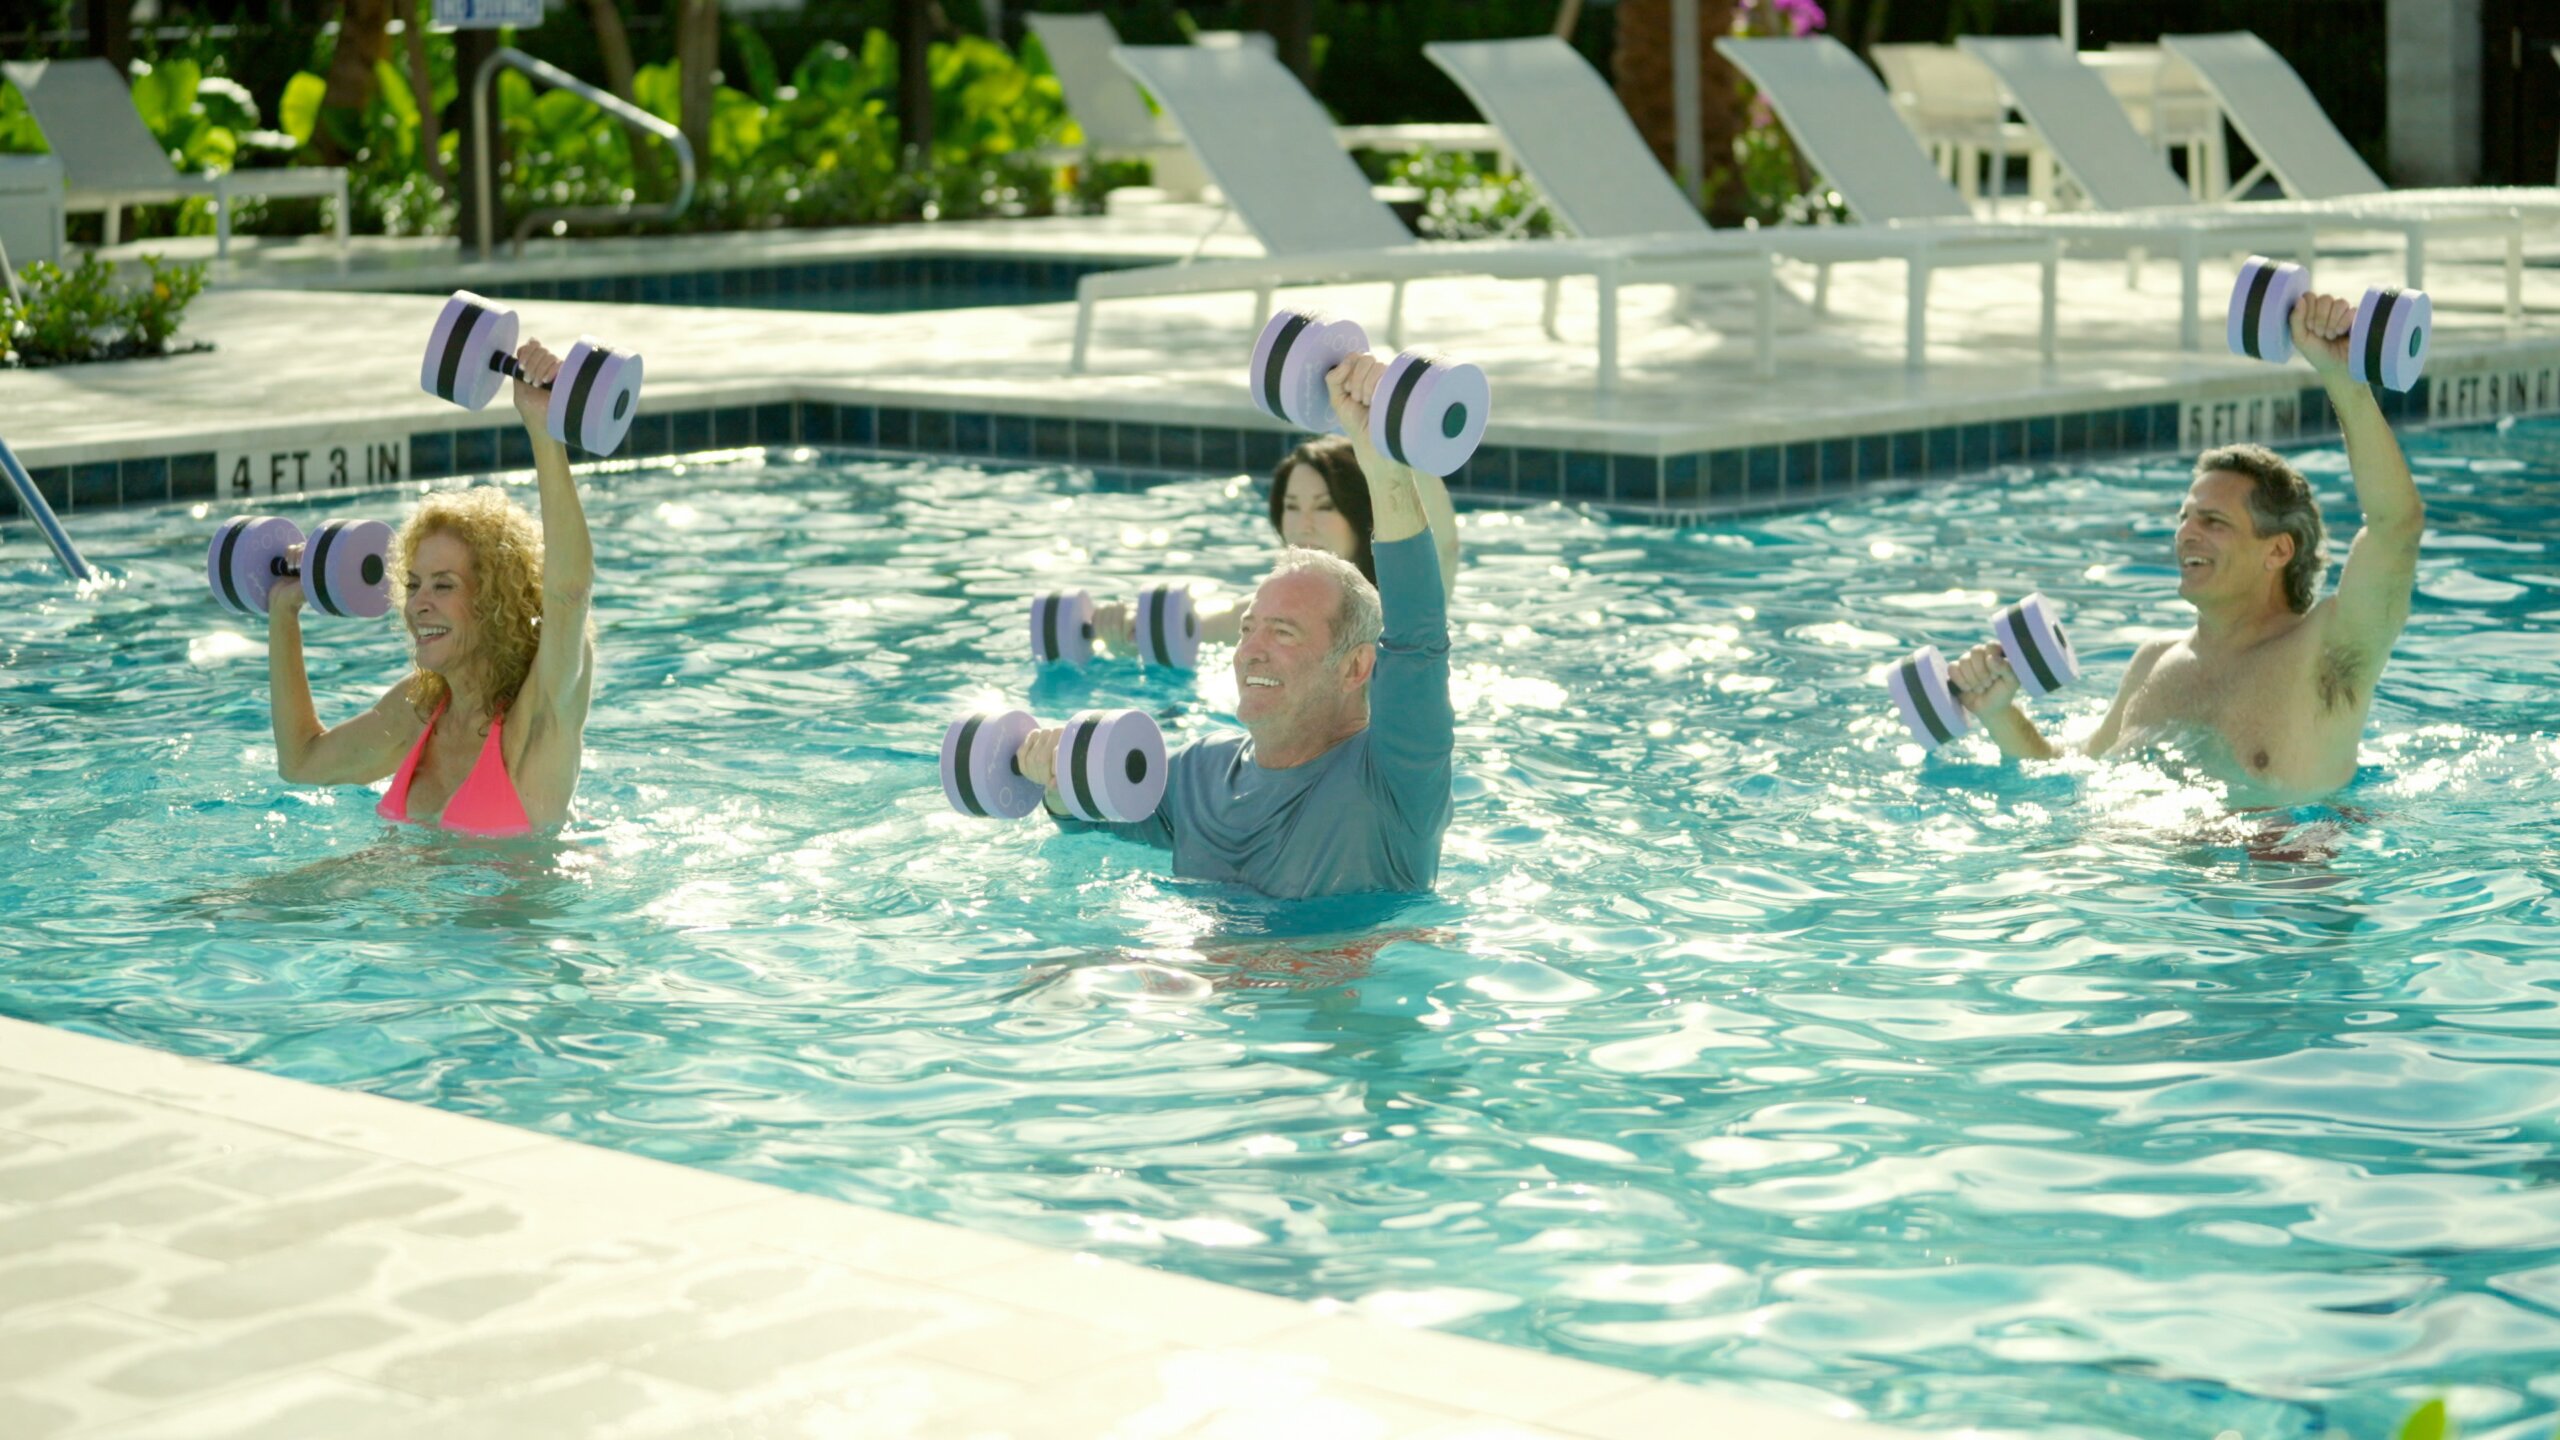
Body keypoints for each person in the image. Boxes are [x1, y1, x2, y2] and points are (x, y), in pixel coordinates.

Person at [1948, 289, 2423, 805]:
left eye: (2214, 521)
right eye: (2184, 518)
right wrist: (1999, 711)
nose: (2186, 534)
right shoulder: (2154, 661)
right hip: (2137, 874)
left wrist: (2342, 380)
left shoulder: (2327, 651)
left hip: (2275, 878)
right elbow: (2071, 770)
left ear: (2278, 551)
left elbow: (2394, 525)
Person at [1014, 356, 1455, 898]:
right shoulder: (1200, 770)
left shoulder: (1394, 777)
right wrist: (1055, 786)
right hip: (1199, 974)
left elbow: (1418, 636)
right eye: (1249, 629)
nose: (1251, 652)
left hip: (1322, 980)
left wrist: (1383, 461)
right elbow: (1094, 817)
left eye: (1284, 633)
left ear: (1356, 667)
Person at [265, 341, 597, 836]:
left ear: (493, 601)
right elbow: (303, 762)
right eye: (414, 583)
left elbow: (568, 594)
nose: (419, 603)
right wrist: (283, 613)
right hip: (406, 905)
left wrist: (542, 428)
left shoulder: (542, 713)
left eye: (444, 585)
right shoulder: (420, 708)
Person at [1091, 433, 1461, 651]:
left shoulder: (1404, 613)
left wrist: (1393, 429)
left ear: (1362, 515)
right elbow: (1191, 628)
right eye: (1291, 506)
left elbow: (1442, 544)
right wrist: (1129, 631)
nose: (1304, 524)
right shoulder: (1263, 613)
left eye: (1325, 506)